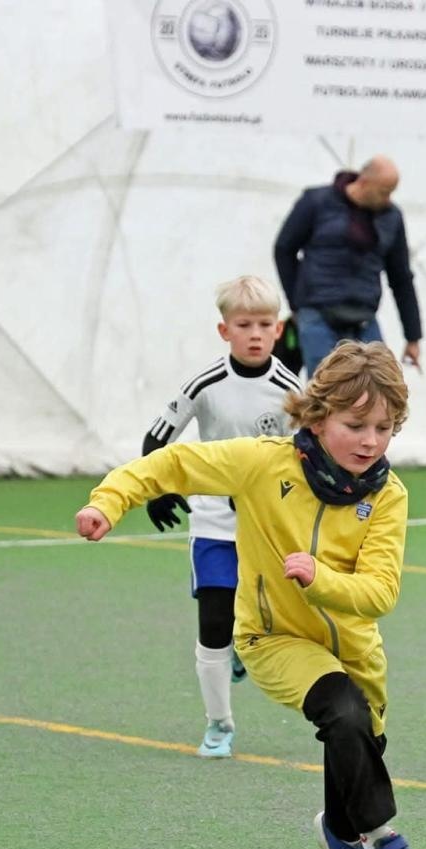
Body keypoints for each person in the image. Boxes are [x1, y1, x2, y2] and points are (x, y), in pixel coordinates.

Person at [76, 341, 426, 849]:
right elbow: (173, 464)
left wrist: (321, 581)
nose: (371, 440)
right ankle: (381, 840)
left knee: (358, 746)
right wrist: (109, 502)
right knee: (344, 716)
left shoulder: (387, 496)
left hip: (356, 649)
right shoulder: (265, 463)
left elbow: (380, 592)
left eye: (385, 427)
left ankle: (340, 834)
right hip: (273, 637)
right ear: (316, 418)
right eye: (356, 424)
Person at [139, 275, 301, 758]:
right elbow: (157, 438)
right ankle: (219, 725)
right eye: (244, 324)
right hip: (212, 523)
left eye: (265, 324)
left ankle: (240, 646)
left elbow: (307, 453)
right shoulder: (205, 384)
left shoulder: (291, 389)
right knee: (212, 623)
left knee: (266, 621)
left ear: (278, 330)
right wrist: (159, 487)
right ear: (223, 330)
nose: (255, 333)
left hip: (268, 528)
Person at [274, 155, 422, 378]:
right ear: (364, 182)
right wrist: (297, 304)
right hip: (317, 315)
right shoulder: (316, 202)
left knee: (380, 388)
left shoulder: (391, 217)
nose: (388, 199)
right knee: (327, 393)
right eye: (384, 191)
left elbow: (401, 277)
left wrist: (413, 336)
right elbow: (284, 248)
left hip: (364, 320)